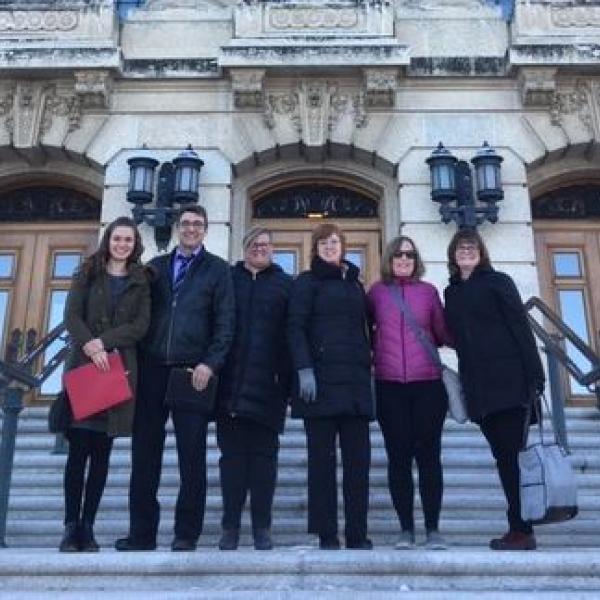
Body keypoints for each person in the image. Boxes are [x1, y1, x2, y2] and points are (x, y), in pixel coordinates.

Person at [115, 205, 235, 552]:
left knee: (191, 456)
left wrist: (210, 364)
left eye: (198, 224)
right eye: (186, 224)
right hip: (152, 369)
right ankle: (142, 533)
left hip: (192, 371)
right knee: (144, 455)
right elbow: (135, 313)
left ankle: (186, 532)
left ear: (206, 228)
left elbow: (226, 323)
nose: (191, 229)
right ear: (178, 227)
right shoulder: (156, 267)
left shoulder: (217, 270)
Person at [444, 229, 545, 551]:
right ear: (452, 254)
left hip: (511, 382)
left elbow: (519, 327)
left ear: (482, 252)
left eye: (471, 247)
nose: (466, 252)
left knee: (514, 456)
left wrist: (536, 375)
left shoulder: (499, 281)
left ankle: (522, 527)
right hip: (479, 388)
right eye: (460, 248)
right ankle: (519, 525)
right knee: (502, 458)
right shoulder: (452, 292)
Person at [60, 216, 151, 552]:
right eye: (117, 239)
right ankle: (71, 527)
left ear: (135, 245)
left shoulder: (142, 280)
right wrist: (89, 345)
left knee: (101, 457)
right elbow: (71, 315)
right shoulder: (87, 272)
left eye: (128, 240)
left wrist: (105, 341)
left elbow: (141, 325)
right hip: (85, 369)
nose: (122, 244)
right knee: (76, 456)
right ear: (108, 241)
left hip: (117, 372)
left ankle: (89, 526)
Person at [288, 223, 374, 550]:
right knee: (321, 466)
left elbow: (369, 327)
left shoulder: (355, 285)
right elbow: (295, 327)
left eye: (335, 241)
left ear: (344, 246)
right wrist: (304, 369)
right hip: (320, 387)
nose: (329, 246)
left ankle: (357, 532)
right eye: (323, 242)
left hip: (354, 388)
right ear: (315, 248)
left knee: (358, 466)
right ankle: (326, 533)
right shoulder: (307, 283)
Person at [367, 236, 452, 550]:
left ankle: (432, 528)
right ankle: (406, 529)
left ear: (416, 260)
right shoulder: (376, 294)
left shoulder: (428, 292)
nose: (404, 259)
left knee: (429, 457)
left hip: (427, 385)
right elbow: (363, 331)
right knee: (398, 458)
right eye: (399, 254)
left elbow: (443, 334)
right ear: (389, 258)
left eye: (410, 254)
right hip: (389, 386)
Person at [215, 226, 292, 551]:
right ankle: (230, 527)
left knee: (264, 463)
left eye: (266, 244)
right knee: (232, 462)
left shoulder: (285, 285)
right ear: (245, 248)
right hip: (230, 387)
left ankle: (262, 526)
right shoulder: (228, 281)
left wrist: (287, 384)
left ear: (273, 250)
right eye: (254, 244)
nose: (260, 249)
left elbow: (291, 337)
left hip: (269, 389)